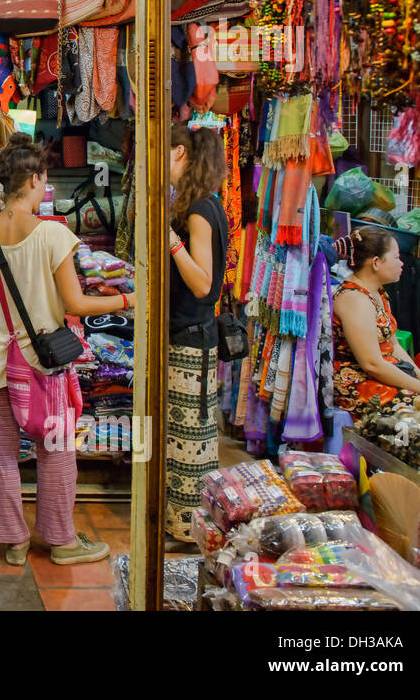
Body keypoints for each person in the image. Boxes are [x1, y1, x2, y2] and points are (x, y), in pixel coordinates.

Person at [0, 135, 133, 567]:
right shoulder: (53, 235)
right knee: (55, 448)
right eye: (43, 181)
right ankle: (61, 541)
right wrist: (128, 301)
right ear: (36, 179)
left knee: (2, 453)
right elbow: (76, 304)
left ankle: (14, 541)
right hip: (42, 365)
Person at [164, 123, 228, 542]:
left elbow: (203, 282)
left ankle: (190, 529)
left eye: (168, 155)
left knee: (190, 438)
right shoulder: (208, 205)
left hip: (192, 338)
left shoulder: (200, 211)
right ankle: (190, 525)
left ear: (183, 155)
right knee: (190, 436)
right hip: (193, 336)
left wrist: (171, 242)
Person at [332, 228, 420, 418]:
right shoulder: (354, 299)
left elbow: (393, 344)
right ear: (377, 263)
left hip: (383, 372)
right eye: (396, 258)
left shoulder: (377, 292)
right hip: (358, 381)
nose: (401, 264)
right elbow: (371, 364)